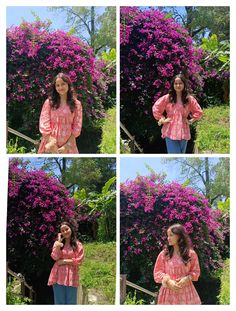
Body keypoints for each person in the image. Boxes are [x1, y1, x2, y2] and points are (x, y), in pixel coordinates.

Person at [152, 74, 203, 153]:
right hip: (170, 131)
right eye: (176, 83)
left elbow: (198, 111)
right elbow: (156, 108)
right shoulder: (168, 98)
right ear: (173, 85)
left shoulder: (189, 99)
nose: (178, 85)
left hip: (184, 132)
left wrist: (190, 121)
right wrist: (162, 119)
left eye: (180, 83)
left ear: (184, 84)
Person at [153, 223, 201, 305]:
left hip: (187, 292)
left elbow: (196, 271)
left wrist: (187, 279)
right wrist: (168, 281)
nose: (168, 238)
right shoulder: (164, 254)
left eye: (171, 235)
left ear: (179, 236)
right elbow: (157, 272)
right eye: (167, 235)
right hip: (167, 293)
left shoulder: (191, 254)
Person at [38, 73, 83, 154]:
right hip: (50, 144)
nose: (60, 87)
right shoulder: (49, 102)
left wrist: (67, 146)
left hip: (68, 145)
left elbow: (77, 127)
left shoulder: (77, 104)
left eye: (63, 84)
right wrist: (52, 143)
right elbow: (44, 123)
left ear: (68, 85)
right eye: (57, 85)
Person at [48, 221, 84, 304]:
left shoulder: (78, 245)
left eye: (66, 229)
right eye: (63, 231)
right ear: (60, 233)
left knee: (71, 303)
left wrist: (64, 261)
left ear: (71, 229)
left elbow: (79, 260)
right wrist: (58, 244)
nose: (65, 232)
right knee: (59, 303)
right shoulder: (57, 244)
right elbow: (54, 257)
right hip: (57, 276)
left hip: (72, 277)